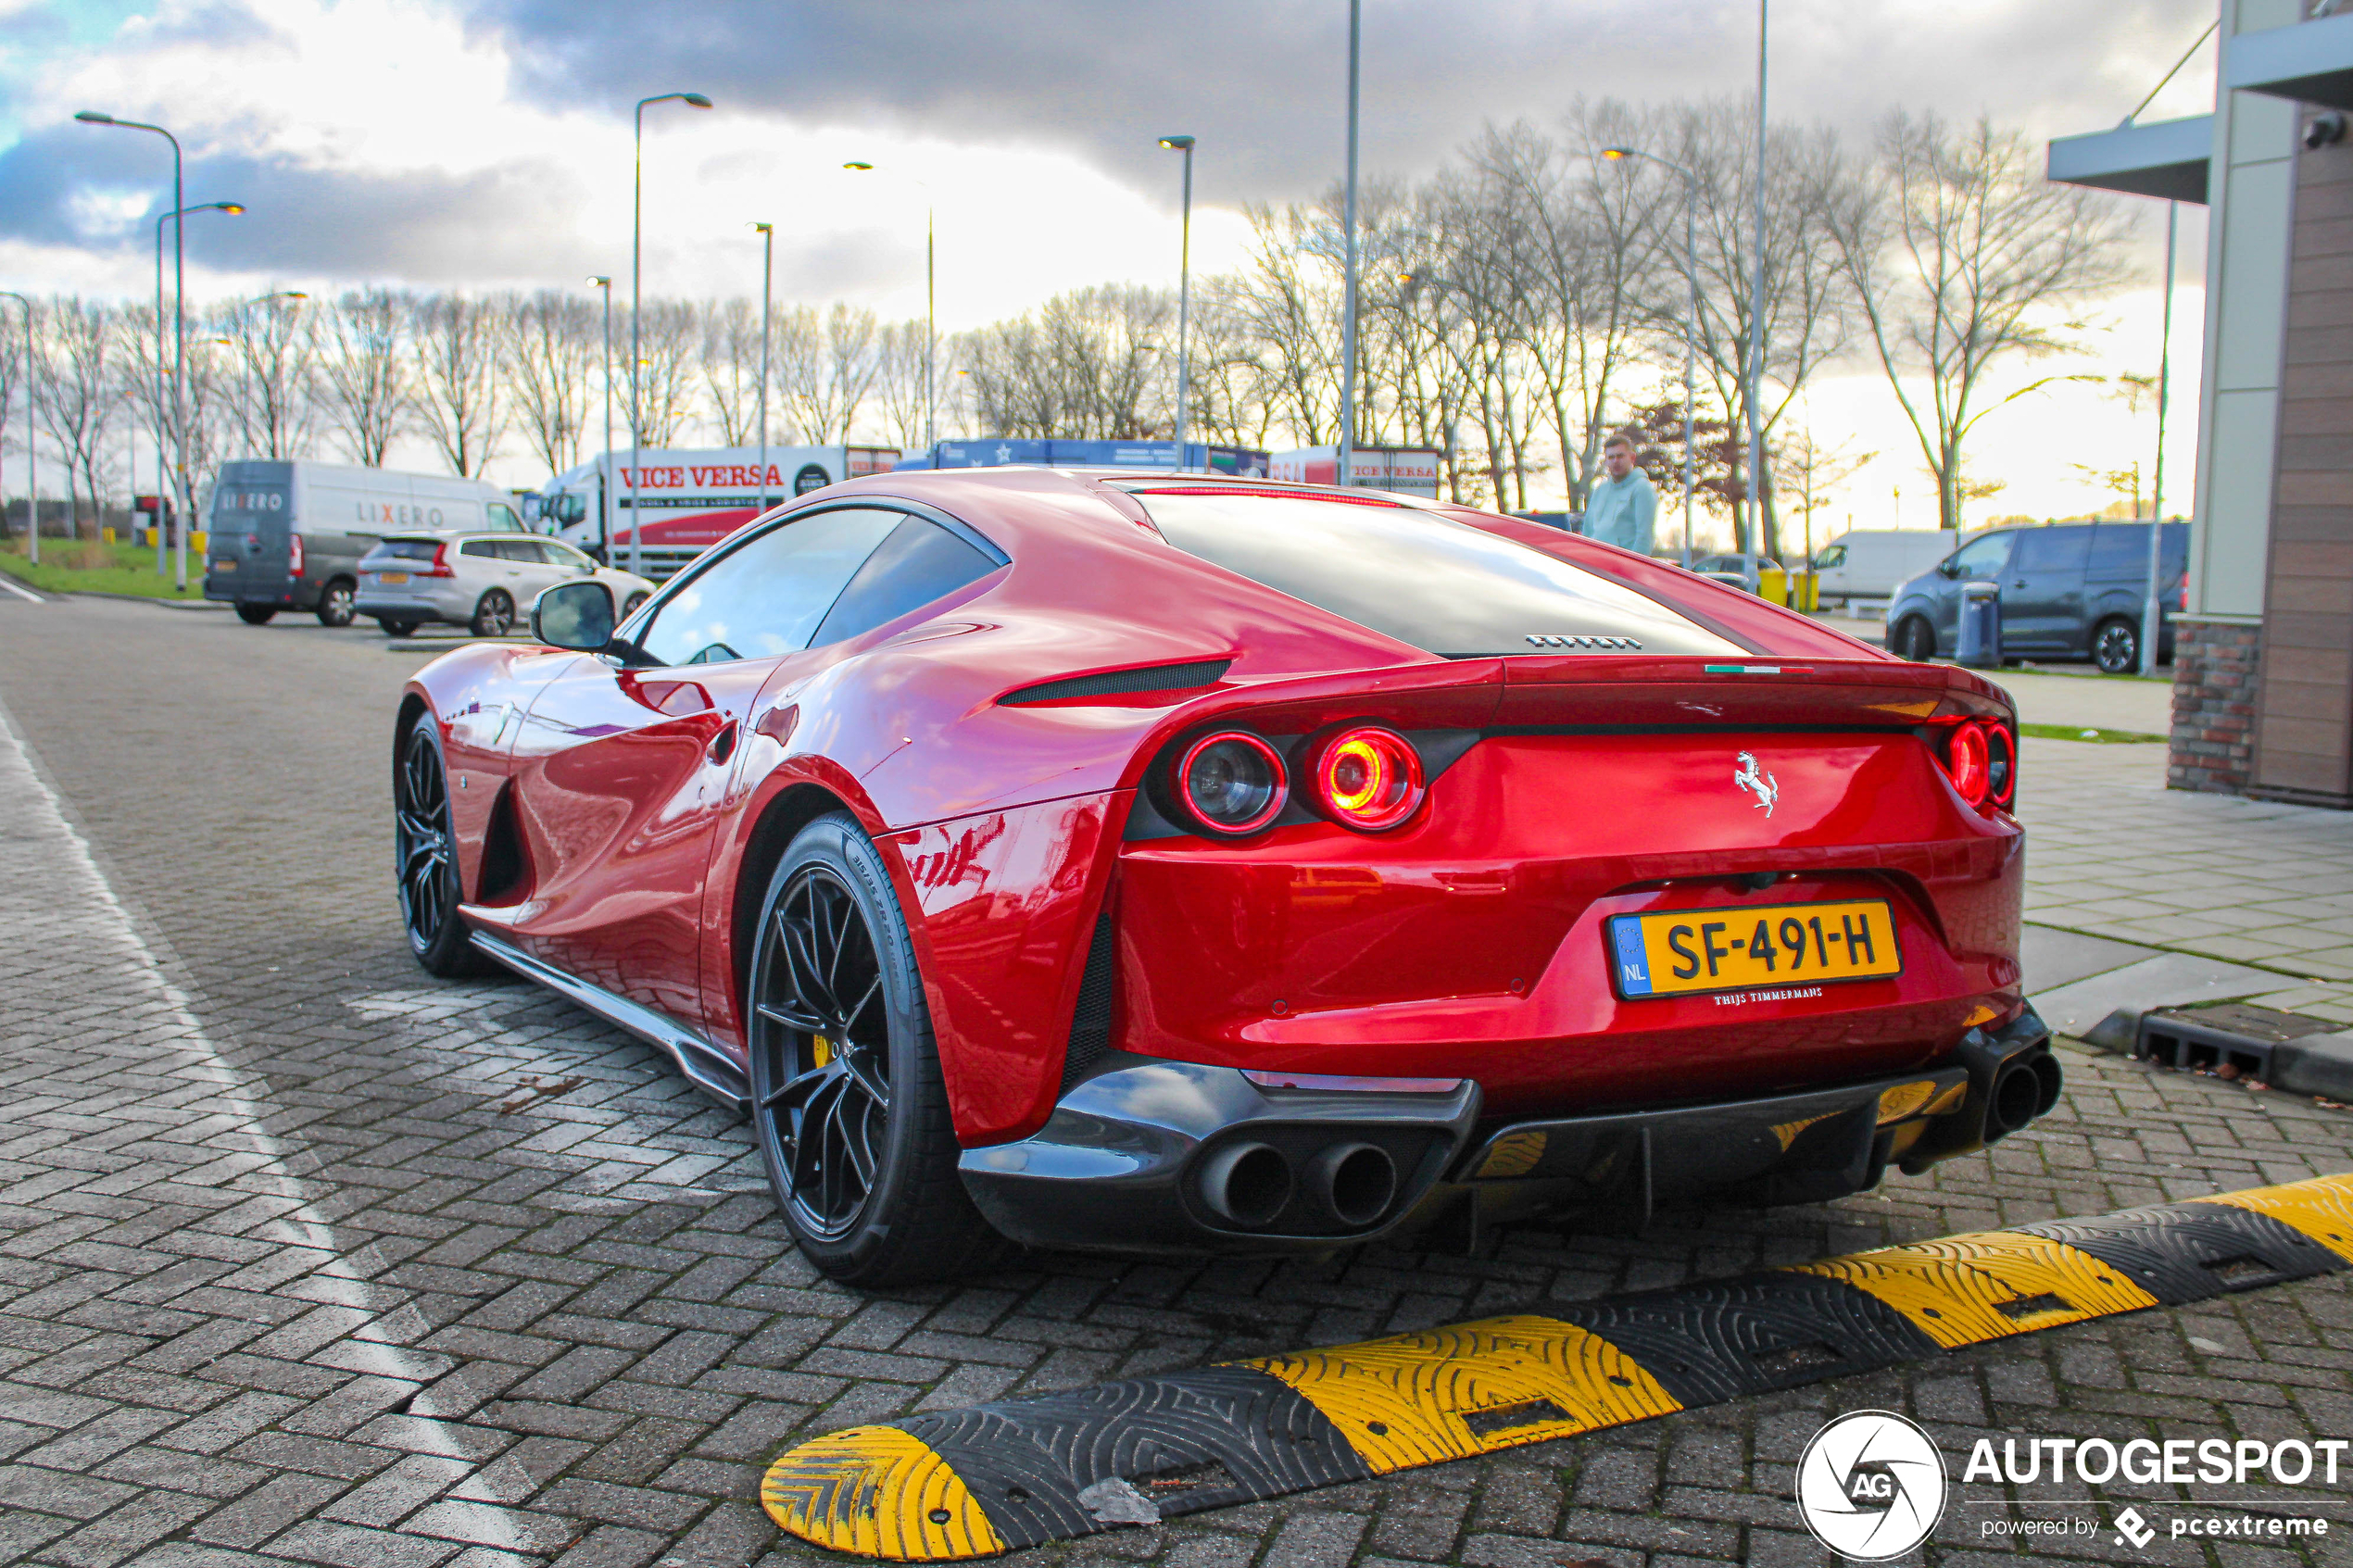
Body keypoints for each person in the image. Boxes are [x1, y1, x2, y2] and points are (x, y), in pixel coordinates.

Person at [1580, 432, 1657, 557]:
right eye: (1611, 457)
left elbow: (1644, 538)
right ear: (1606, 461)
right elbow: (1587, 531)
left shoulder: (1642, 489)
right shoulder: (1600, 490)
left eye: (1620, 456)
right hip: (1595, 563)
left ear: (1632, 458)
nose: (1616, 461)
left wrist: (1631, 568)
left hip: (1621, 569)